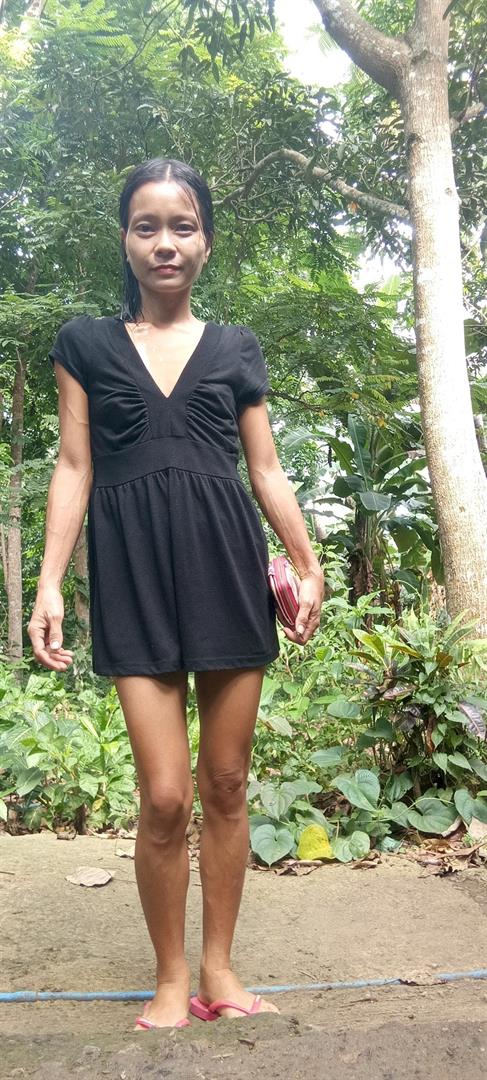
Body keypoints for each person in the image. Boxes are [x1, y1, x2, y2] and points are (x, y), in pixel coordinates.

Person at [28, 158, 325, 1030]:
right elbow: (74, 465)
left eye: (182, 226)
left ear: (206, 242)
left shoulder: (235, 348)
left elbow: (264, 470)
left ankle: (218, 973)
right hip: (132, 578)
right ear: (124, 240)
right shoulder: (84, 343)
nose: (165, 242)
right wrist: (49, 582)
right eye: (147, 226)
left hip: (225, 569)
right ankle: (168, 978)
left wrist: (305, 562)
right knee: (163, 795)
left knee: (226, 781)